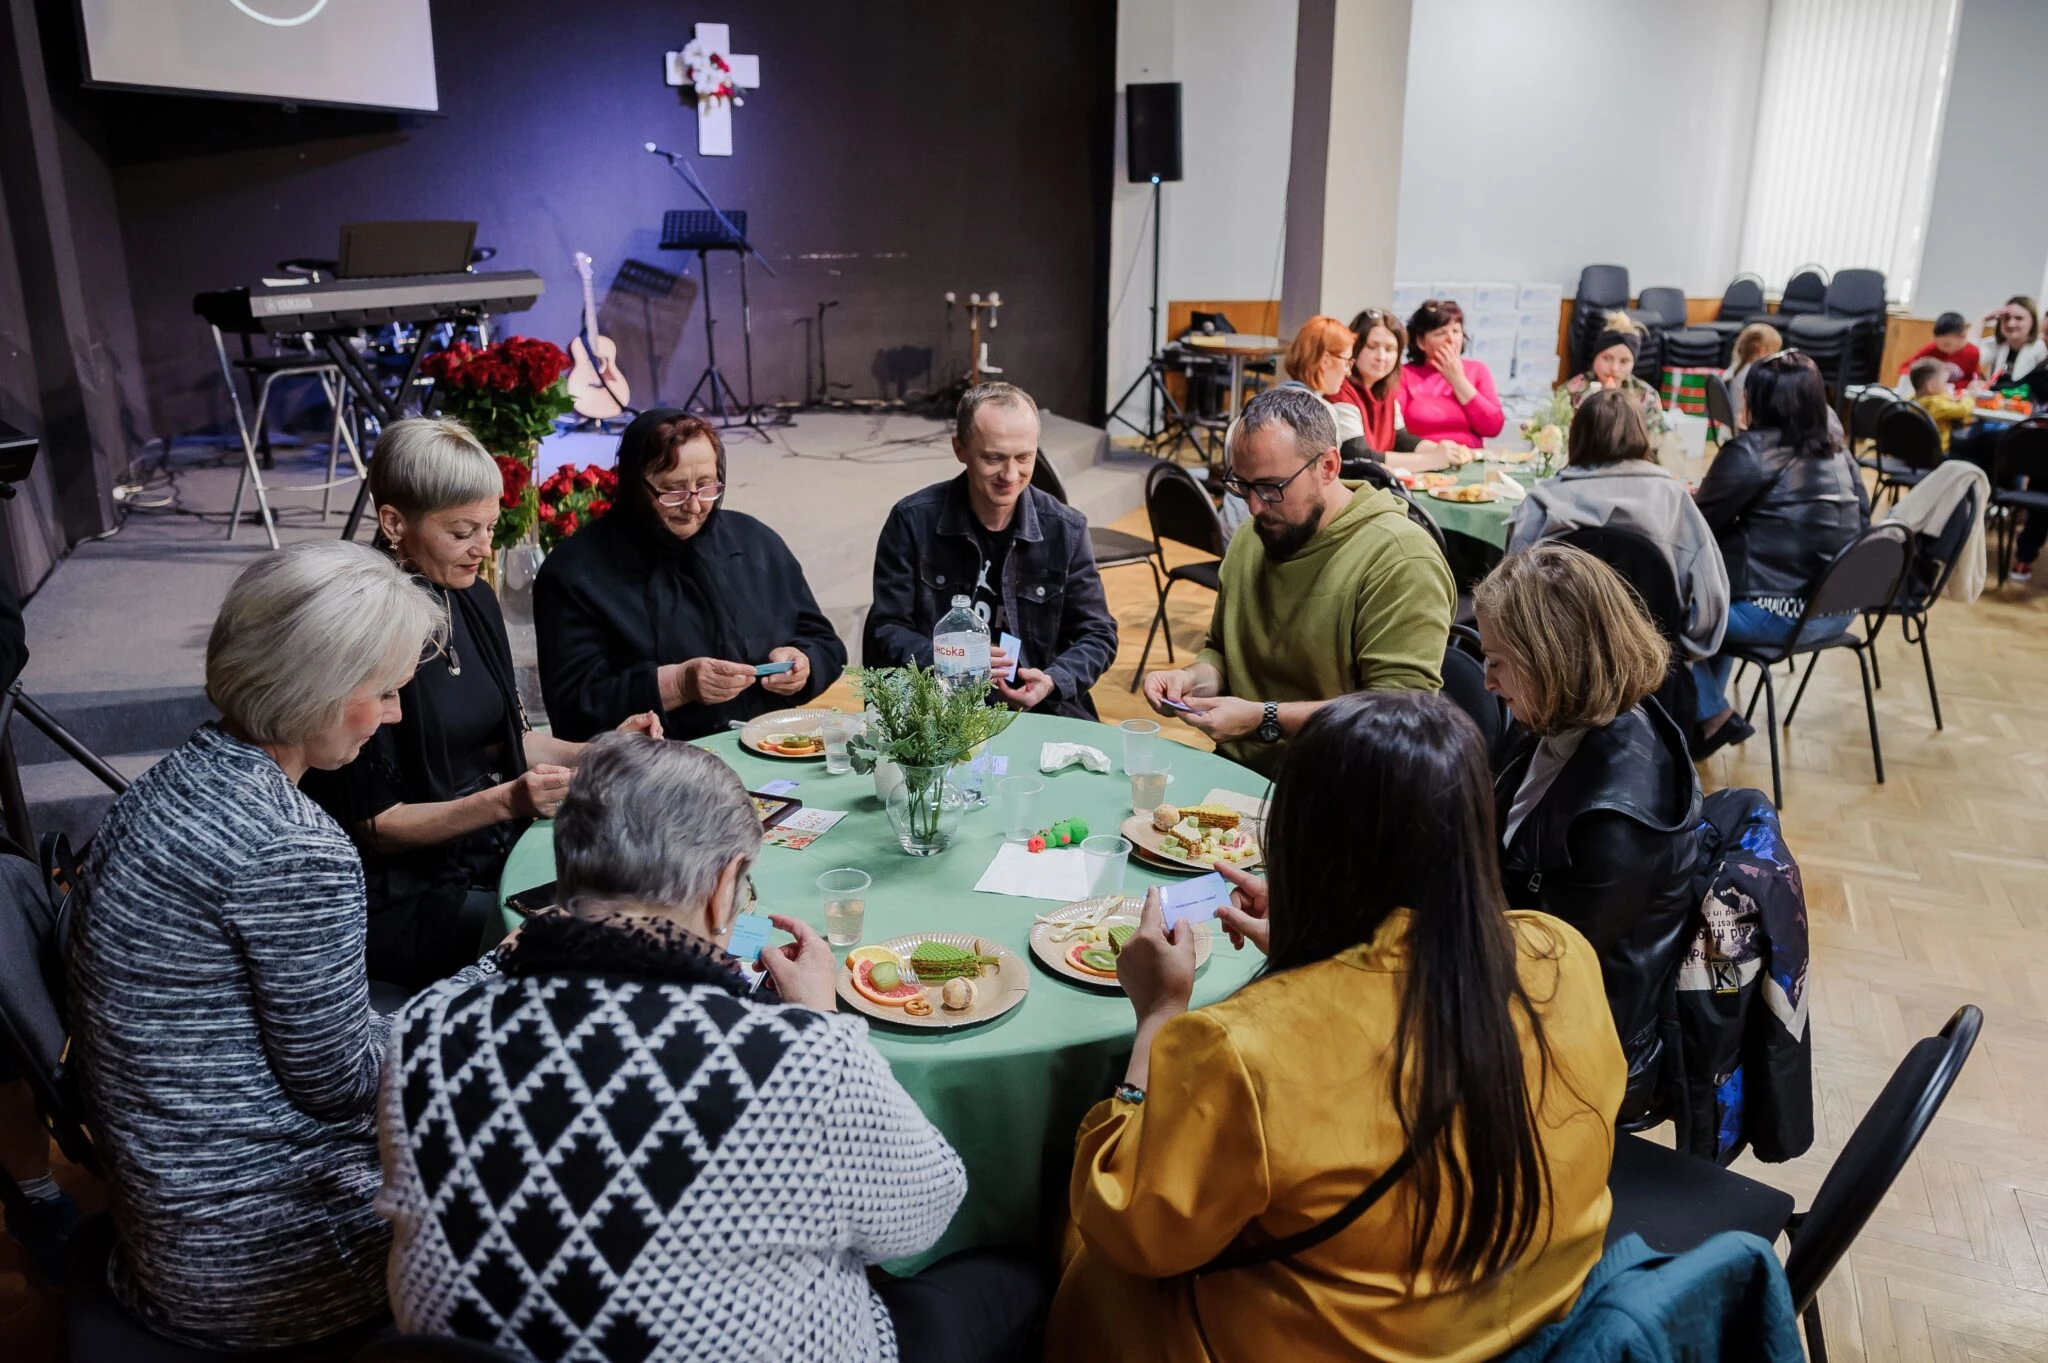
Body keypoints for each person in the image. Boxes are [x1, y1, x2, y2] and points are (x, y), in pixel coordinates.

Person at [381, 734, 1044, 1363]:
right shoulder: (797, 1058)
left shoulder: (422, 1027)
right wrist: (821, 1017)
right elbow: (921, 1220)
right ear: (725, 885)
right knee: (1019, 1272)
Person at [1045, 691, 1625, 1363]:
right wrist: (1317, 944)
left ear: (1302, 840)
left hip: (1339, 1343)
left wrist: (1157, 1018)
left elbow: (1130, 1226)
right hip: (1541, 1316)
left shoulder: (1245, 1048)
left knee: (1086, 1245)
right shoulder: (1562, 951)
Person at [68, 541, 474, 1351]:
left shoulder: (172, 778)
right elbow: (340, 1082)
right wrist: (479, 1000)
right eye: (384, 692)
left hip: (173, 1215)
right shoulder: (292, 846)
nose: (396, 714)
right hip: (263, 1256)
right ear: (313, 690)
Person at [303, 419, 661, 990]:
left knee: (652, 891)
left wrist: (599, 750)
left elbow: (506, 738)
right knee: (595, 949)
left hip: (491, 847)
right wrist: (507, 800)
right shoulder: (359, 630)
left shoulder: (471, 597)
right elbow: (379, 827)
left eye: (490, 527)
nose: (483, 548)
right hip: (407, 893)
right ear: (394, 523)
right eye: (463, 530)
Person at [1475, 544, 1702, 1123]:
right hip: (1527, 981)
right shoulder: (1563, 717)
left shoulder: (1615, 823)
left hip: (1573, 1059)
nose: (1486, 680)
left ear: (1553, 661)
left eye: (1498, 662)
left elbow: (1535, 969)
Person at [1140, 386, 1455, 776]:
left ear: (1328, 467)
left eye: (1271, 487)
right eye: (1242, 486)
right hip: (1238, 774)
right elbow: (1222, 649)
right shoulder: (1253, 535)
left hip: (1338, 789)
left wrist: (1263, 718)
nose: (1255, 507)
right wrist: (1191, 679)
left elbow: (1400, 717)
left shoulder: (1400, 559)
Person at [535, 409, 846, 741]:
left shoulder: (753, 542)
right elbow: (572, 711)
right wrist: (678, 685)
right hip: (653, 769)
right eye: (674, 491)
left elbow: (825, 642)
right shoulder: (575, 573)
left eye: (706, 486)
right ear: (636, 485)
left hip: (772, 748)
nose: (695, 506)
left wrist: (803, 664)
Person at [865, 382, 1116, 717]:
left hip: (1040, 709)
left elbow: (1098, 634)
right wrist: (949, 659)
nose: (1010, 475)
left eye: (1024, 457)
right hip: (937, 706)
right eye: (993, 458)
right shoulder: (912, 521)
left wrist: (1053, 680)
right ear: (960, 449)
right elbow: (886, 628)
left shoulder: (1065, 528)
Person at [1690, 352, 1870, 753]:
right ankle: (1700, 722)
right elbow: (1864, 524)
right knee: (1714, 603)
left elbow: (1696, 528)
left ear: (1758, 399)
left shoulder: (1751, 452)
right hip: (1837, 610)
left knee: (1646, 609)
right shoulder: (1841, 455)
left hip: (1776, 615)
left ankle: (1711, 715)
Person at [1509, 388, 1727, 660]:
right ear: (1640, 433)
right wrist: (1683, 651)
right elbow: (1712, 594)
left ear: (1577, 435)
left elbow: (1510, 594)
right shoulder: (1674, 499)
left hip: (1558, 666)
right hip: (1651, 664)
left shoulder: (1541, 501)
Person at [1396, 298, 1504, 448]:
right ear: (1421, 342)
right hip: (1424, 459)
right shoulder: (1404, 375)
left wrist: (1458, 380)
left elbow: (1493, 428)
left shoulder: (1478, 370)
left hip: (1470, 459)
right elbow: (1393, 430)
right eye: (1441, 333)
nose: (1451, 339)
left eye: (1456, 331)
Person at [1556, 312, 1670, 440]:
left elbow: (1656, 440)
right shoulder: (1571, 390)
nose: (1614, 368)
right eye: (1607, 358)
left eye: (1624, 361)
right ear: (1595, 358)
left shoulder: (1646, 395)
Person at [1280, 314, 1367, 449]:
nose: (1348, 372)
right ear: (1325, 361)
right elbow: (1327, 468)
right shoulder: (1323, 411)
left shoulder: (1263, 399)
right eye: (1346, 362)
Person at [1896, 311, 1980, 389]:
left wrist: (1951, 386)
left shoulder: (1972, 352)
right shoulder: (1932, 349)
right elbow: (1905, 367)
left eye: (1947, 344)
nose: (1940, 347)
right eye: (1936, 342)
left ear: (1963, 337)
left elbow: (1972, 380)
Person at [1907, 356, 1975, 453]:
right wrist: (1971, 396)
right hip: (1936, 454)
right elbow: (1963, 409)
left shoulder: (1912, 400)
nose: (1947, 386)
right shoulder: (1935, 404)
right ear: (1931, 386)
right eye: (1945, 382)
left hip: (1914, 452)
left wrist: (1949, 397)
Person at [1976, 294, 2045, 389]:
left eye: (2019, 318)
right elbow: (1969, 358)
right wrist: (1982, 320)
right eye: (2006, 318)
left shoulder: (2041, 348)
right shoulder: (1995, 344)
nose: (2011, 324)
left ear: (2033, 321)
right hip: (1995, 400)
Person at [1724, 321, 1782, 426]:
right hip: (1746, 429)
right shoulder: (1756, 376)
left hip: (1732, 428)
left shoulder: (1733, 369)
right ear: (1760, 350)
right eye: (1774, 353)